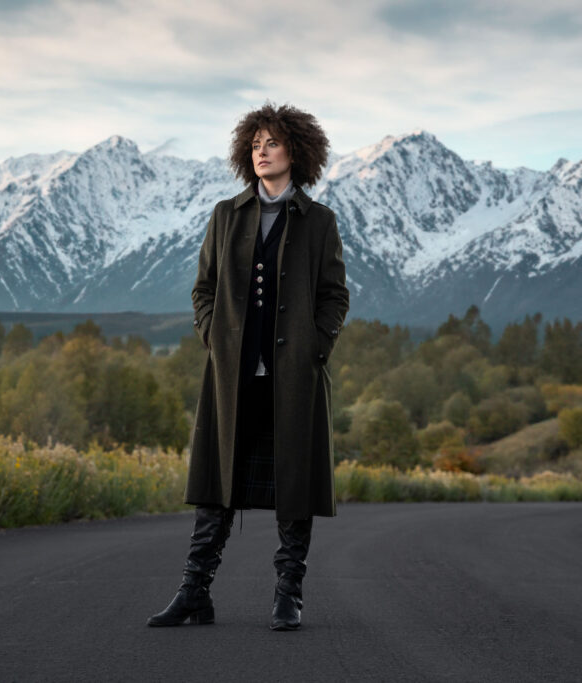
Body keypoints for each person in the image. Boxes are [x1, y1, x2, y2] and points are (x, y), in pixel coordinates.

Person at [147, 102, 349, 631]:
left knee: (293, 488)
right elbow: (203, 289)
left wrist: (315, 347)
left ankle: (288, 596)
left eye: (273, 142)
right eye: (256, 143)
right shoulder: (225, 215)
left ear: (296, 152)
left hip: (294, 380)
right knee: (217, 487)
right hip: (232, 380)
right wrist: (214, 337)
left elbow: (334, 296)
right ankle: (194, 593)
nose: (262, 151)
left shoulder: (319, 222)